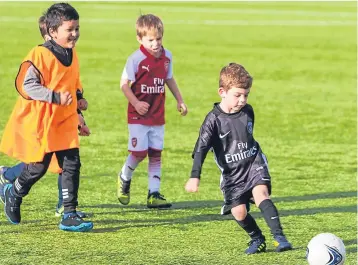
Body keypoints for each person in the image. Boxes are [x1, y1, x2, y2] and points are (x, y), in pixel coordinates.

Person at [0, 3, 93, 232]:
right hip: (42, 123)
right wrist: (53, 96)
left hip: (65, 122)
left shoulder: (72, 53)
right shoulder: (40, 54)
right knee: (37, 167)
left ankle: (69, 213)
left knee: (71, 164)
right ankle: (13, 191)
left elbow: (73, 84)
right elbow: (26, 85)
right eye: (69, 29)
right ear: (52, 32)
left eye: (77, 28)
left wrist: (79, 104)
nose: (75, 34)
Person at [185, 63, 292, 254]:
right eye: (237, 95)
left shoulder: (248, 111)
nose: (242, 100)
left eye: (246, 95)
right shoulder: (213, 121)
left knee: (261, 194)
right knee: (238, 212)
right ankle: (257, 239)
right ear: (222, 92)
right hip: (232, 174)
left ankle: (279, 237)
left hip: (253, 163)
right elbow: (201, 149)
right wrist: (195, 176)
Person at [117, 14, 188, 208]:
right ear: (139, 39)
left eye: (159, 39)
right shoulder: (135, 59)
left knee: (156, 153)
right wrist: (136, 103)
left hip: (158, 114)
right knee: (139, 153)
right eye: (151, 40)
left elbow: (169, 79)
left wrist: (180, 100)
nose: (156, 43)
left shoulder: (167, 56)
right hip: (137, 115)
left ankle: (153, 193)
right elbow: (124, 85)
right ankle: (124, 176)